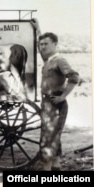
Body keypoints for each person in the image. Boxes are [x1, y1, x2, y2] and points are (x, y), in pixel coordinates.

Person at [31, 19, 80, 170]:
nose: (43, 46)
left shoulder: (59, 60)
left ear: (55, 44)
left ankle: (47, 168)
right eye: (41, 44)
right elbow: (41, 52)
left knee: (49, 137)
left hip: (56, 103)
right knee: (52, 135)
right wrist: (38, 29)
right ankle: (56, 165)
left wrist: (63, 96)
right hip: (47, 103)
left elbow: (74, 77)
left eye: (46, 44)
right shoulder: (49, 60)